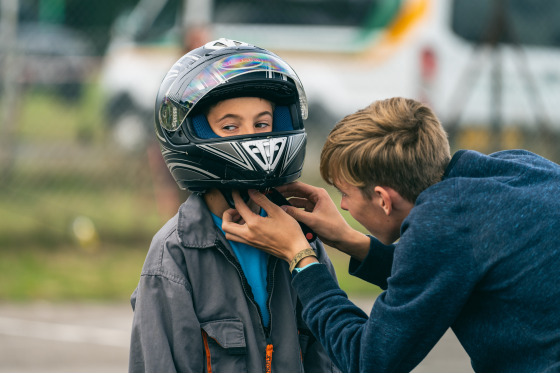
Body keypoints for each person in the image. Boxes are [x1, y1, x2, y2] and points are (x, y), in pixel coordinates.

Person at [221, 97, 560, 372]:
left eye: (345, 193)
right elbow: (445, 266)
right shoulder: (517, 167)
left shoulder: (441, 223)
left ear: (383, 199)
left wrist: (301, 257)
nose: (343, 207)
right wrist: (350, 240)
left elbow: (367, 361)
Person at [128, 38, 339, 373]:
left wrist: (304, 253)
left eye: (262, 124)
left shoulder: (302, 242)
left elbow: (330, 357)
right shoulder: (176, 255)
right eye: (230, 126)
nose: (252, 136)